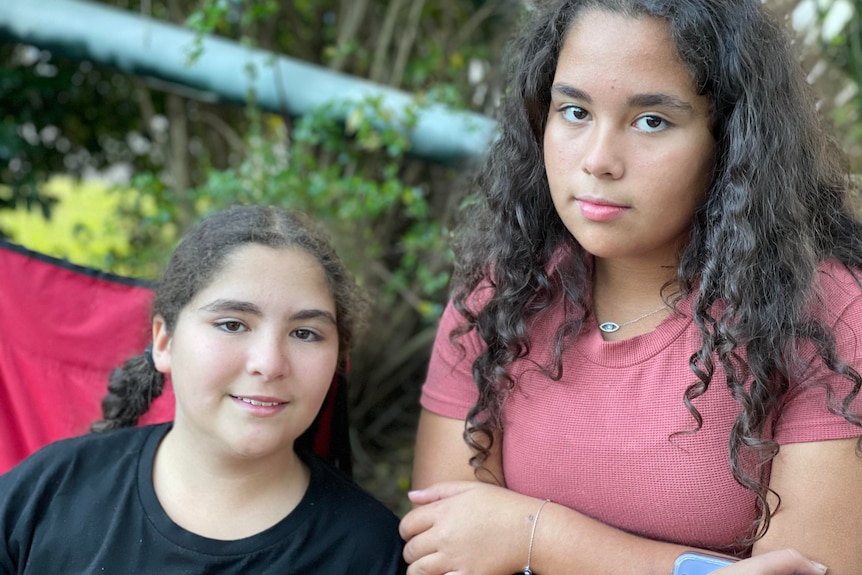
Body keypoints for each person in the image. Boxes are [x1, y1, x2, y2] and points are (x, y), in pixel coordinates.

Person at [398, 1, 862, 574]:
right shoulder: (502, 296)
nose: (598, 160)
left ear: (733, 138)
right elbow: (447, 548)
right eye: (574, 111)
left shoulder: (824, 313)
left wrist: (537, 536)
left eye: (651, 121)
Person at [0, 205, 407, 574]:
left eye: (304, 333)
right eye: (232, 324)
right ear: (164, 341)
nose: (268, 363)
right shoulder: (48, 492)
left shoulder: (373, 554)